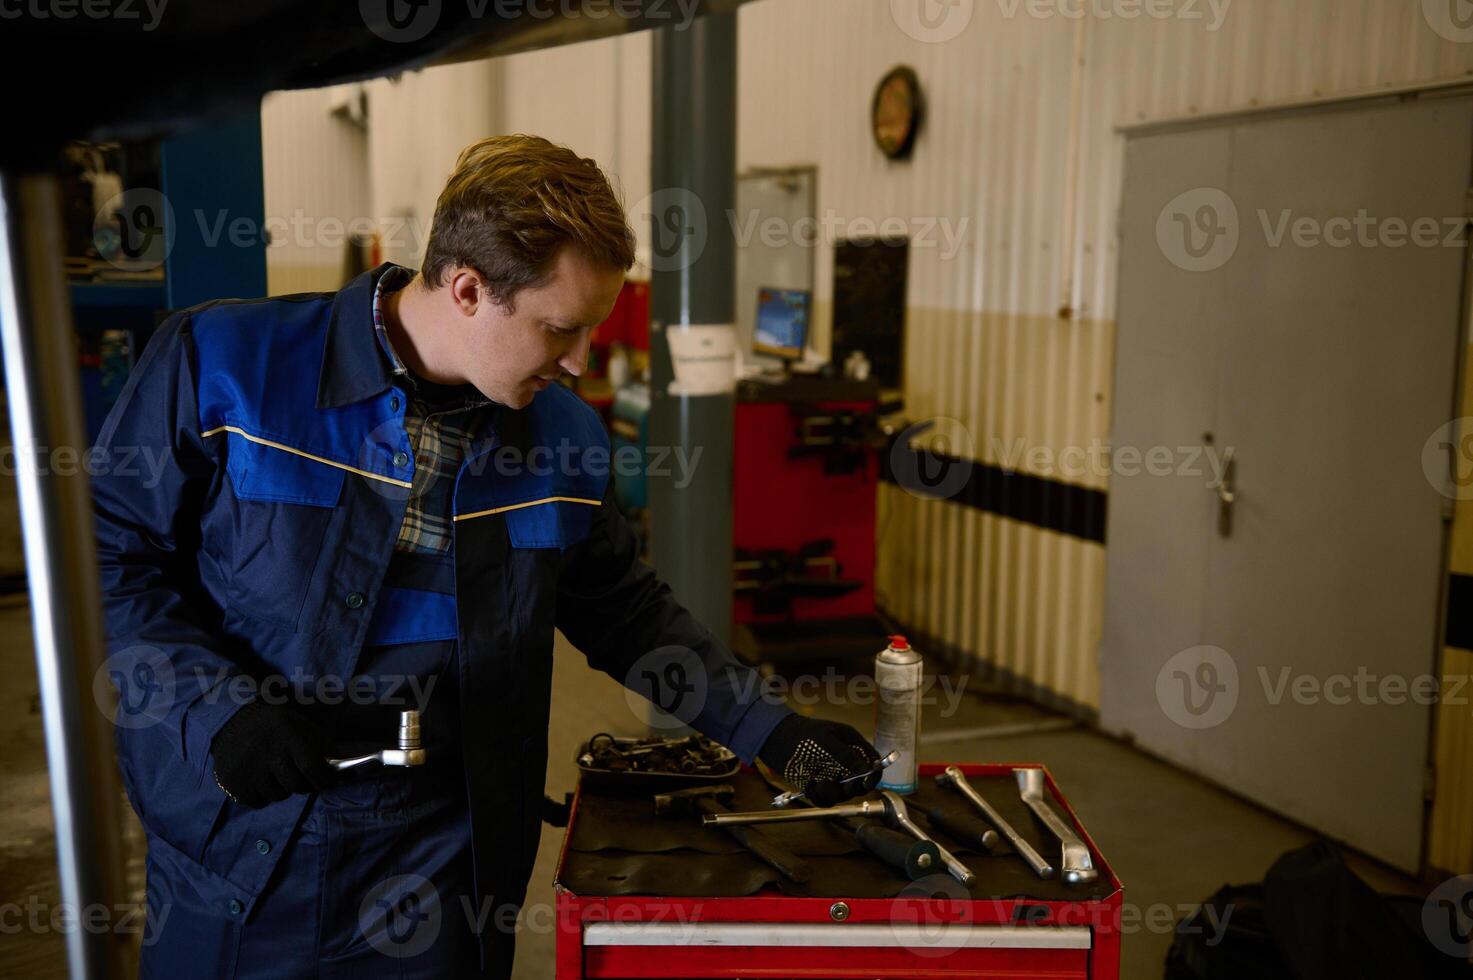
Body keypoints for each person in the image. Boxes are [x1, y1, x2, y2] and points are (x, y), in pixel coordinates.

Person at [92, 134, 883, 978]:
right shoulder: (223, 369)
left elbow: (624, 611)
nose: (580, 361)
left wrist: (770, 727)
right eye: (561, 329)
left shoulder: (563, 444)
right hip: (239, 842)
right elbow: (104, 561)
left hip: (439, 865)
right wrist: (213, 712)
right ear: (467, 289)